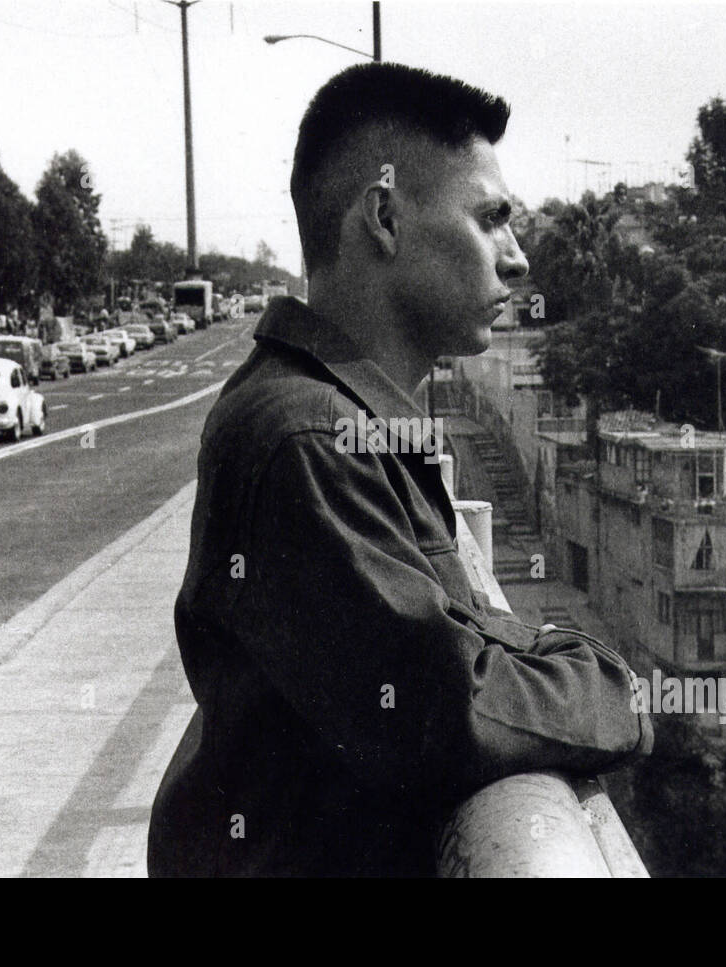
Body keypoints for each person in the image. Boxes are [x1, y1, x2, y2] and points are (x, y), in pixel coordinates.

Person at [147, 62, 651, 878]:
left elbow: (449, 650)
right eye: (491, 219)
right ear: (384, 216)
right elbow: (442, 710)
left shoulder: (345, 421)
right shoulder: (308, 438)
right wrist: (612, 687)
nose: (517, 258)